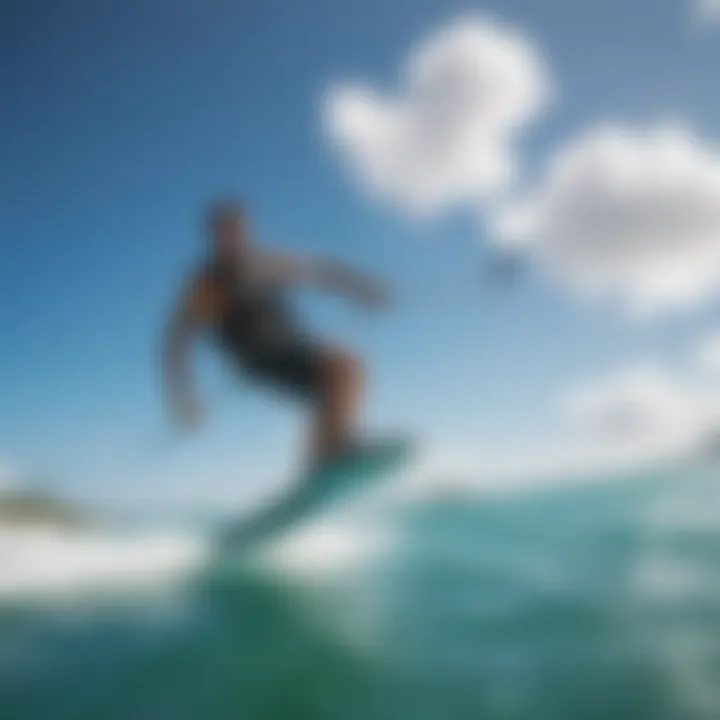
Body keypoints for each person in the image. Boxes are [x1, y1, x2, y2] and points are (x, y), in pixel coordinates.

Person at [162, 200, 390, 474]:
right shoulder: (207, 285)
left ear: (246, 231)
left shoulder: (268, 263)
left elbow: (320, 272)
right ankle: (332, 451)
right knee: (341, 366)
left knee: (342, 376)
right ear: (214, 237)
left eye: (237, 230)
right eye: (224, 232)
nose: (232, 238)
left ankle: (323, 457)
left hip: (294, 346)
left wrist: (362, 288)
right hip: (257, 358)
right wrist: (184, 396)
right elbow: (177, 341)